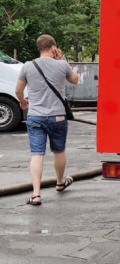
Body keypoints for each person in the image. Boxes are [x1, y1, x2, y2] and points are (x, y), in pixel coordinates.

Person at [14, 34, 79, 206]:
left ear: (39, 48)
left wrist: (22, 102)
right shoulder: (62, 64)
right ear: (53, 48)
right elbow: (75, 80)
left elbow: (18, 90)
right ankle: (59, 182)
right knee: (58, 151)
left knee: (36, 154)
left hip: (35, 116)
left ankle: (36, 195)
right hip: (58, 116)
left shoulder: (28, 66)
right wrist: (61, 59)